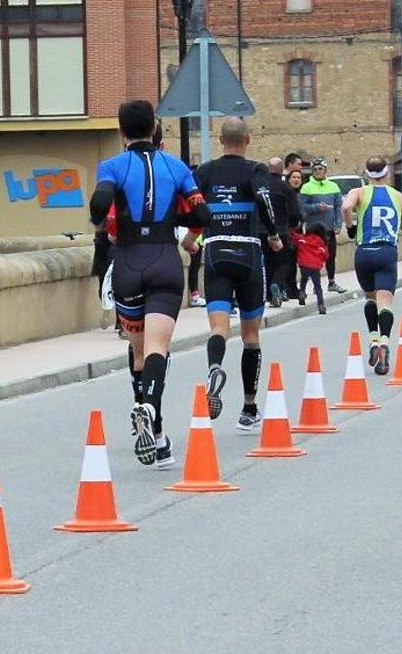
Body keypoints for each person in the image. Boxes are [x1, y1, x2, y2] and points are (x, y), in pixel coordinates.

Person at [90, 100, 207, 465]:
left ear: (122, 131)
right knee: (158, 348)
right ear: (156, 129)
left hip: (127, 261)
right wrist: (190, 235)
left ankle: (151, 425)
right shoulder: (176, 166)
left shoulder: (111, 166)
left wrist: (106, 225)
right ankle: (151, 418)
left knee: (139, 351)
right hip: (164, 260)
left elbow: (100, 204)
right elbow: (201, 212)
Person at [188, 118, 280, 434]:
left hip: (214, 251)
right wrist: (273, 233)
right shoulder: (255, 170)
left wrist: (191, 237)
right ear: (248, 140)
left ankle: (215, 366)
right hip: (248, 251)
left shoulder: (205, 172)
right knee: (251, 336)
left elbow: (192, 206)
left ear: (220, 139)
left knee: (218, 327)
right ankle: (249, 408)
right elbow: (264, 199)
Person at [342, 156, 402, 375]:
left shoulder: (359, 192)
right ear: (386, 174)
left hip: (364, 252)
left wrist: (351, 227)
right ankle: (385, 342)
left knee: (369, 297)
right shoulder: (397, 196)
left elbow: (346, 207)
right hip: (387, 251)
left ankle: (373, 340)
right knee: (385, 301)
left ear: (366, 174)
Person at [262, 156, 302, 307]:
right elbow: (295, 213)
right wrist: (292, 225)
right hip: (280, 230)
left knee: (267, 262)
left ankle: (268, 294)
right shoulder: (285, 188)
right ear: (281, 170)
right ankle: (277, 286)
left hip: (261, 230)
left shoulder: (262, 186)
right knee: (283, 262)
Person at [299, 162, 344, 292]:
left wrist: (339, 224)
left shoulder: (334, 186)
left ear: (325, 171)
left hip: (329, 228)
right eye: (315, 169)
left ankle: (331, 282)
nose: (318, 171)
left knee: (331, 255)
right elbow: (302, 207)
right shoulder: (306, 187)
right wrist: (317, 207)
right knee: (314, 257)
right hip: (313, 229)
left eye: (320, 169)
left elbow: (338, 207)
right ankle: (315, 284)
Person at [293, 223, 329, 314]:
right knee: (317, 286)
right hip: (315, 266)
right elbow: (326, 255)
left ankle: (301, 292)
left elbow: (293, 236)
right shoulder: (322, 244)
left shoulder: (302, 239)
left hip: (304, 264)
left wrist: (295, 227)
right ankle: (321, 305)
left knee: (304, 279)